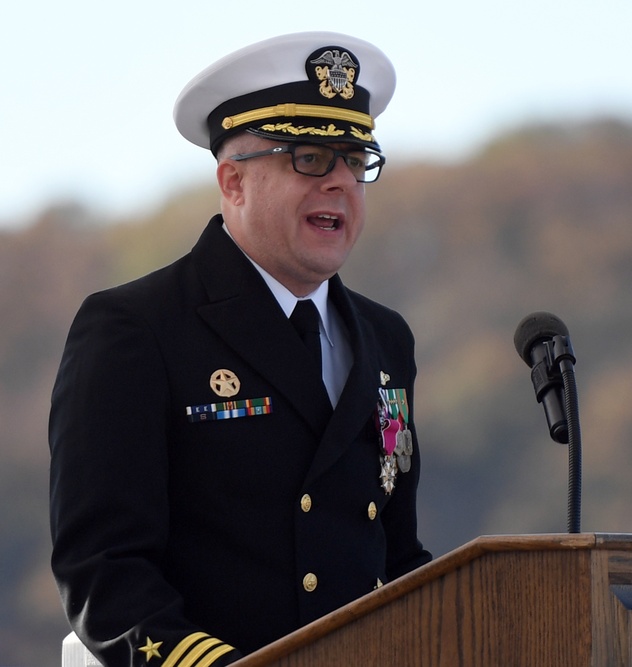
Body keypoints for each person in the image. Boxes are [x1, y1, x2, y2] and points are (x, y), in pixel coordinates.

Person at [48, 32, 432, 667]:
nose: (340, 183)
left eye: (355, 160)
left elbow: (394, 557)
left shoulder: (386, 337)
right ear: (233, 182)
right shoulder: (134, 328)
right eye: (310, 159)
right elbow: (106, 577)